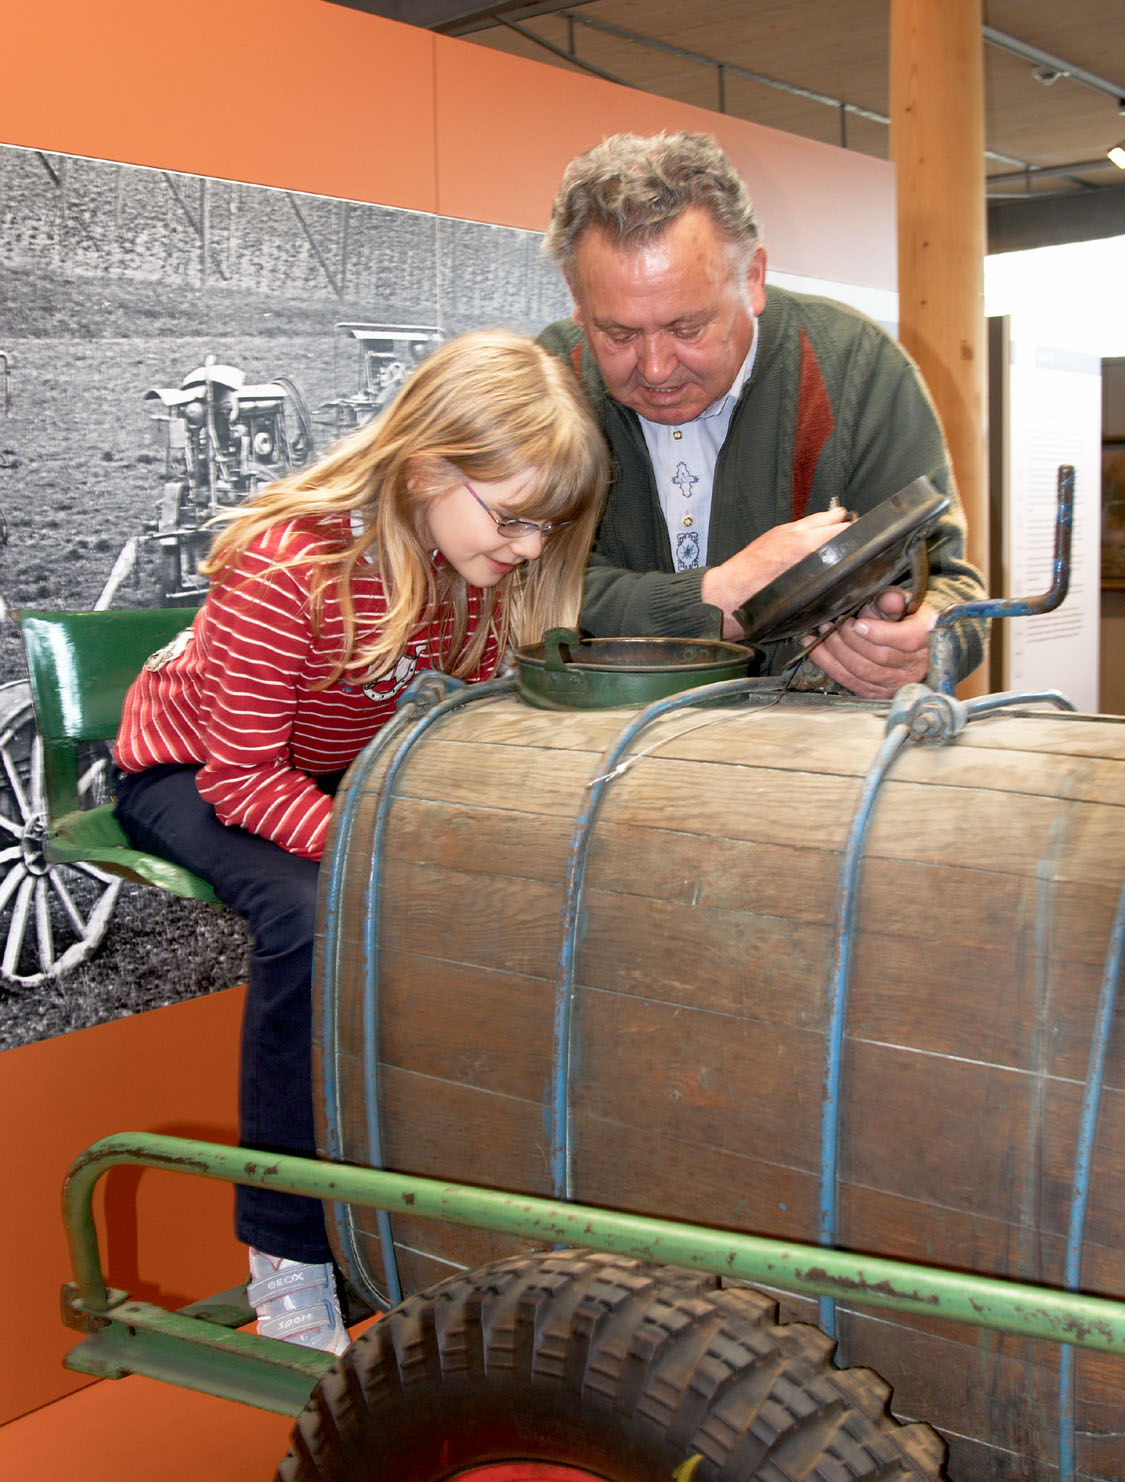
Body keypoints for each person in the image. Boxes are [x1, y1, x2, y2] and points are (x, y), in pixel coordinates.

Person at [111, 330, 608, 1353]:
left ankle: (444, 1198)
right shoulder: (285, 563)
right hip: (189, 767)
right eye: (513, 520)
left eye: (542, 532)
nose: (524, 550)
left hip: (332, 767)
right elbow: (239, 776)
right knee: (308, 916)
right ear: (428, 465)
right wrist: (383, 855)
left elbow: (453, 729)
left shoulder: (471, 566)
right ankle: (287, 1263)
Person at [538, 131, 987, 698]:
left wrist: (924, 640)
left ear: (752, 278)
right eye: (618, 333)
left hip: (810, 767)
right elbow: (510, 587)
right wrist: (716, 597)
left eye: (686, 328)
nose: (654, 368)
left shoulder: (854, 368)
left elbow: (953, 588)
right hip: (593, 756)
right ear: (575, 298)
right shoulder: (547, 381)